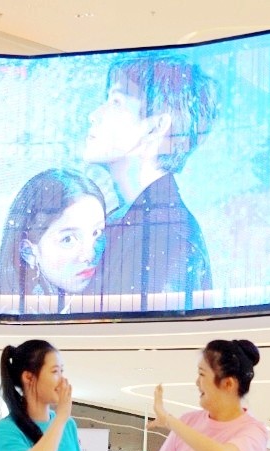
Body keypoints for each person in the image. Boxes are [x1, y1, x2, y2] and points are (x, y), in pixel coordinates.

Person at [85, 54, 218, 311]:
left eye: (116, 102)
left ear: (156, 127)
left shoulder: (167, 237)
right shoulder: (135, 222)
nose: (94, 115)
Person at [0, 169, 106, 315]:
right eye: (68, 239)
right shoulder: (11, 315)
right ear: (28, 252)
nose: (90, 255)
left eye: (96, 233)